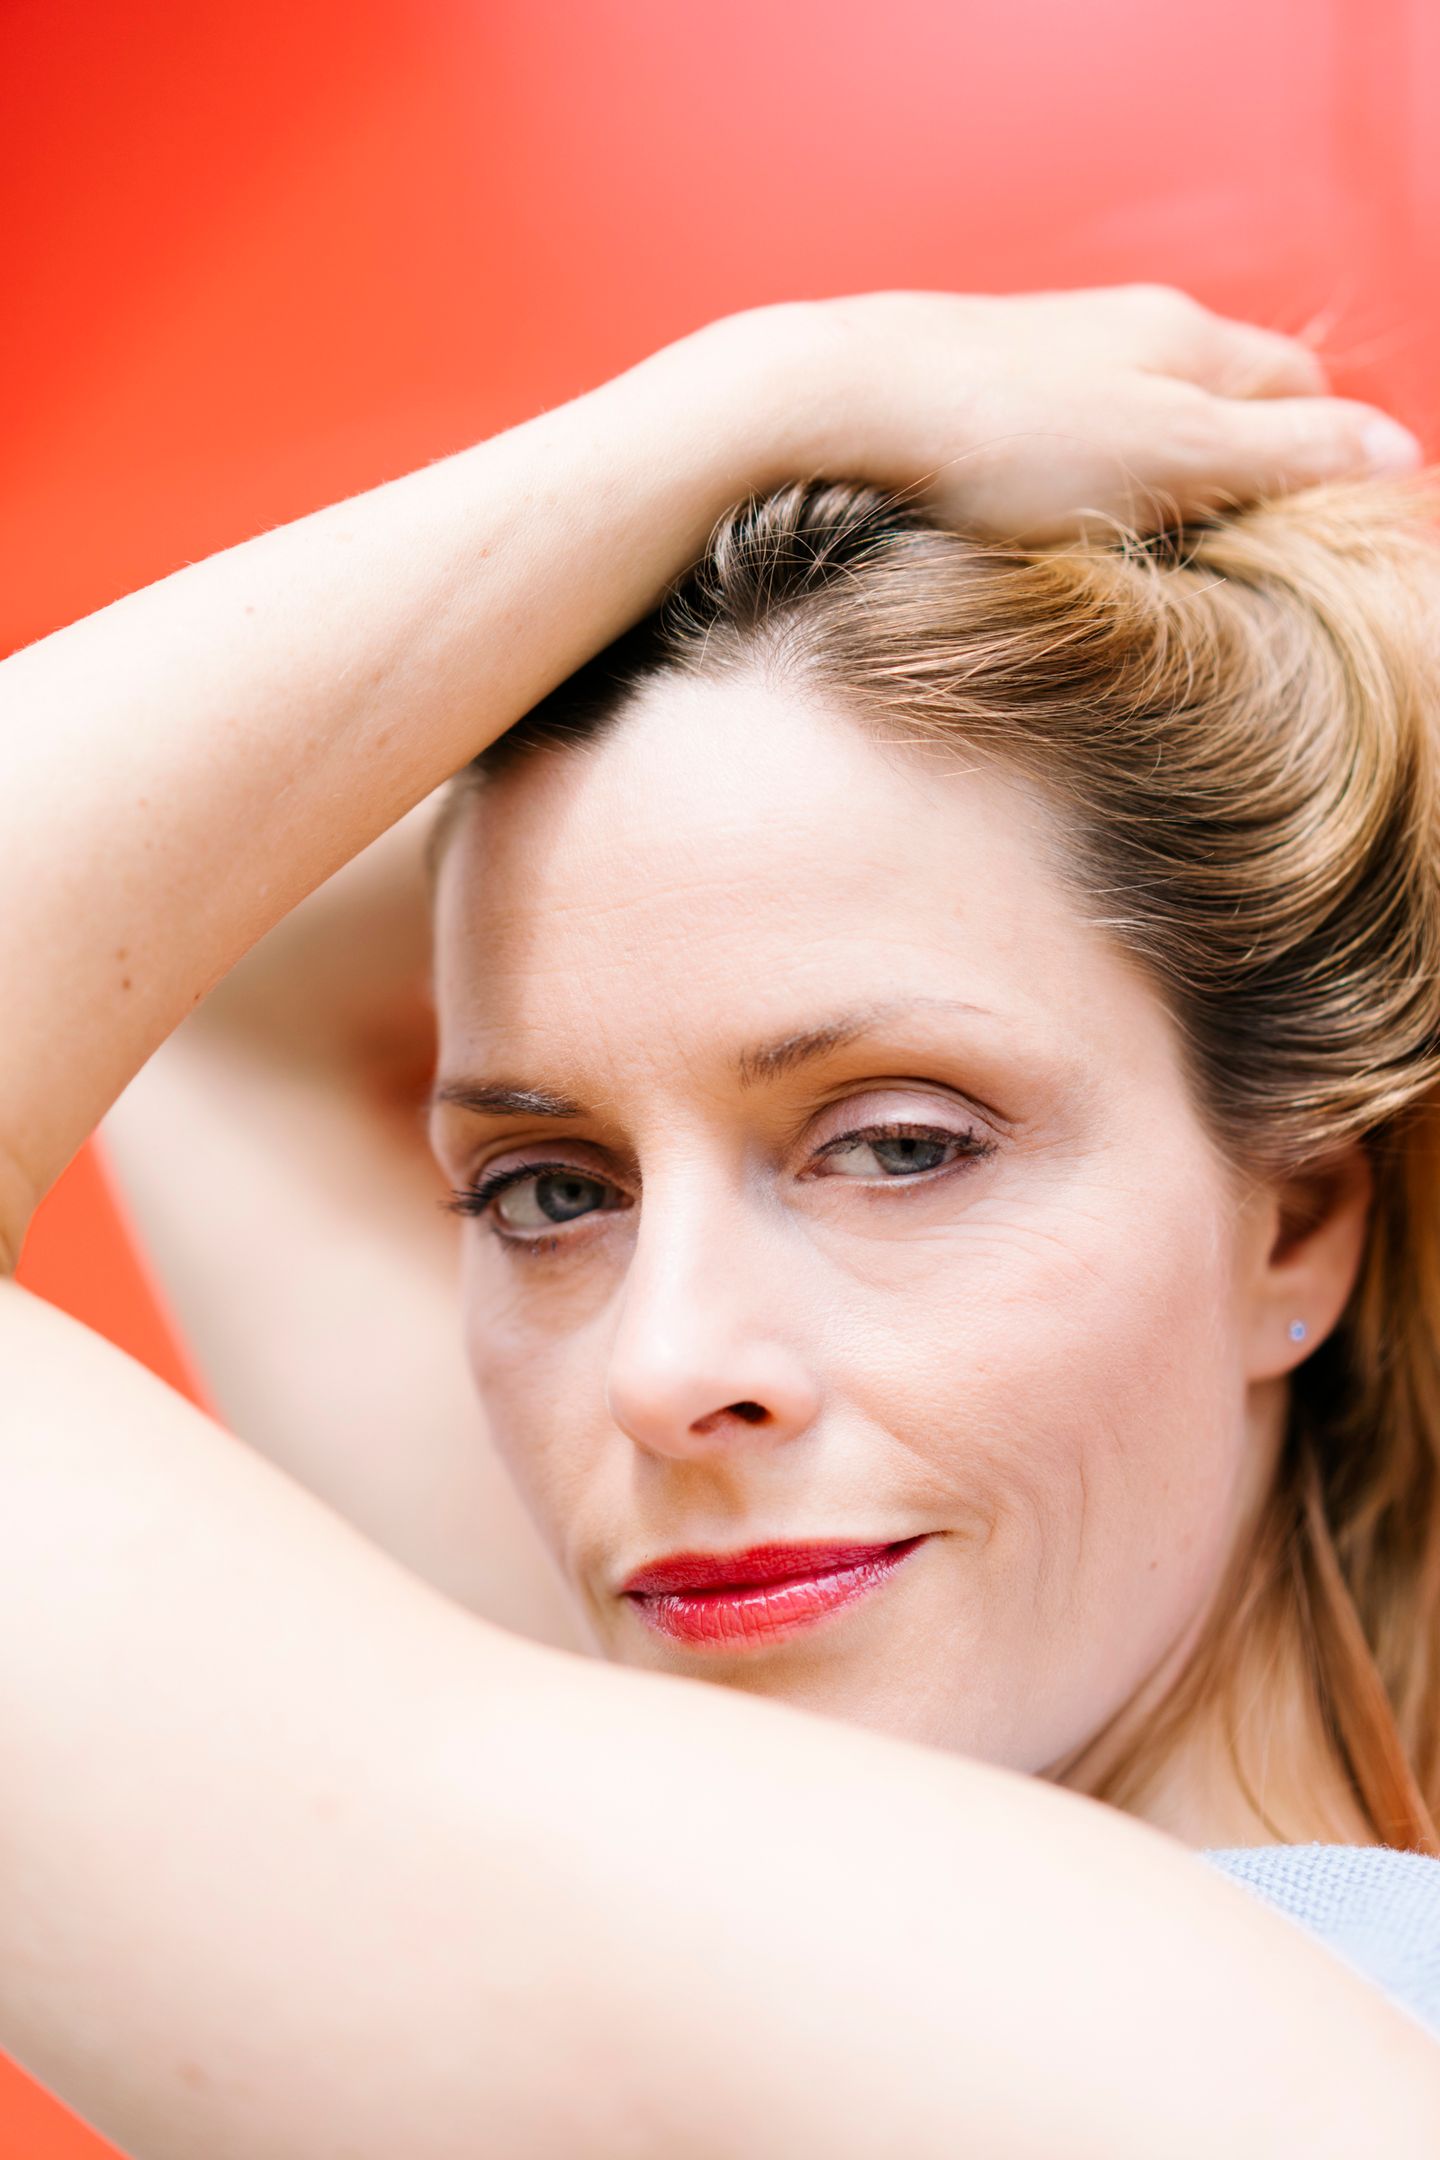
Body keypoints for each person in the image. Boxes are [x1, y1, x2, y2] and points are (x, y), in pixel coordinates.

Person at [2, 286, 1438, 2158]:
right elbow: (222, 1021)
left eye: (899, 1148)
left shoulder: (1136, 2073)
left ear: (1295, 1225)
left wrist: (742, 414)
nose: (664, 1365)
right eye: (550, 1189)